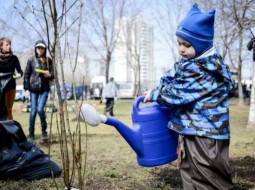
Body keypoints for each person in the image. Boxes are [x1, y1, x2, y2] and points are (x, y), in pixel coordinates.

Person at [143, 4, 234, 190]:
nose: (182, 49)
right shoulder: (191, 62)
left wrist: (155, 94)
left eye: (187, 45)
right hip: (193, 129)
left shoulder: (203, 70)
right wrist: (163, 83)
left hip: (207, 132)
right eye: (179, 43)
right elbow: (174, 73)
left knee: (207, 175)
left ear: (201, 45)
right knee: (189, 170)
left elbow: (178, 93)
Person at [23, 40, 54, 142]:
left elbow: (53, 74)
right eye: (38, 48)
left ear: (44, 49)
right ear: (35, 49)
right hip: (33, 88)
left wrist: (49, 75)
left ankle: (44, 131)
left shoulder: (49, 60)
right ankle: (31, 134)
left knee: (40, 109)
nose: (40, 50)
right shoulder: (31, 60)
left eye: (42, 48)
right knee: (33, 111)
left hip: (44, 89)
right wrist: (26, 89)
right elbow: (26, 74)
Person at [0, 37, 23, 120]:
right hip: (1, 89)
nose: (9, 46)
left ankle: (10, 131)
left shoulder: (14, 58)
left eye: (10, 44)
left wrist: (18, 75)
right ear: (1, 46)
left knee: (9, 110)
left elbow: (20, 72)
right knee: (3, 110)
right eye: (7, 44)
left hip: (11, 87)